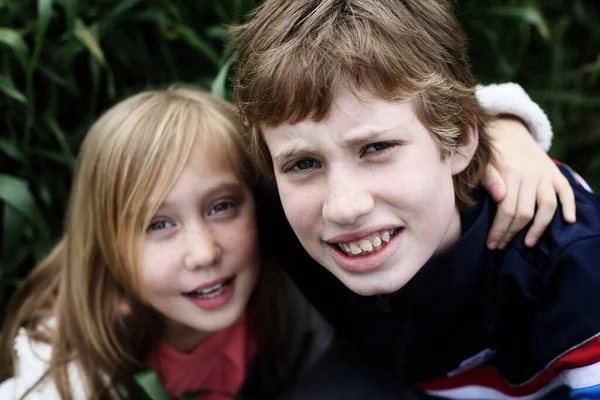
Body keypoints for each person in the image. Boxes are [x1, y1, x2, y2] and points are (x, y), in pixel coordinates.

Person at [233, 0, 600, 398]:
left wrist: (505, 122)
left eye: (376, 148)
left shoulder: (571, 263)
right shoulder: (271, 207)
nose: (343, 207)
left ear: (460, 139)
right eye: (304, 164)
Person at [0, 85, 333, 400]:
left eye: (221, 207)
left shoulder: (295, 305)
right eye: (158, 225)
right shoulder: (64, 363)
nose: (203, 254)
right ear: (107, 246)